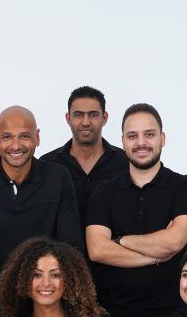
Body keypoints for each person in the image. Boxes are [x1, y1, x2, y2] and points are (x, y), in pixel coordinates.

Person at [85, 103, 187, 317]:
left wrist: (119, 241)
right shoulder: (103, 192)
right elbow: (98, 250)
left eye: (149, 134)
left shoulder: (185, 188)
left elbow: (173, 242)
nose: (141, 143)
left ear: (162, 138)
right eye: (132, 136)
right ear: (123, 142)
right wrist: (157, 256)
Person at [0, 106, 83, 292]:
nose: (15, 146)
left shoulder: (57, 178)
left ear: (37, 137)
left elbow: (71, 247)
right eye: (7, 137)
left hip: (44, 292)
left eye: (24, 136)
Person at [40, 86, 127, 223]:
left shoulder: (125, 162)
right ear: (68, 118)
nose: (86, 122)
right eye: (78, 115)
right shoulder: (48, 164)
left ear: (104, 118)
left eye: (93, 115)